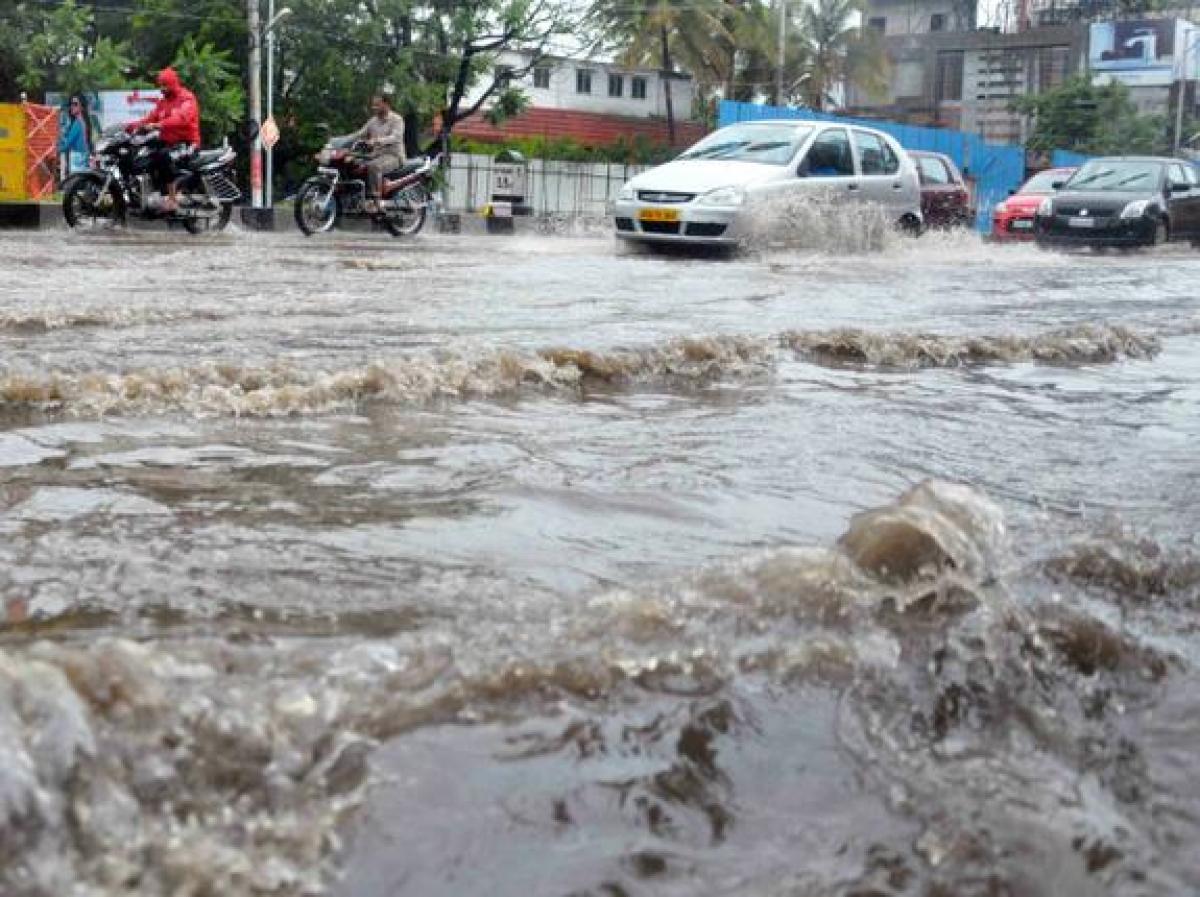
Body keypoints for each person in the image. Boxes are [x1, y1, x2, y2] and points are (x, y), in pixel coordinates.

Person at [126, 67, 201, 211]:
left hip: (188, 143)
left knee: (163, 156)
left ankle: (172, 199)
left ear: (173, 84)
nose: (162, 88)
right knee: (144, 154)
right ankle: (153, 192)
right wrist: (130, 126)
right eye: (160, 85)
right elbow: (149, 118)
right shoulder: (163, 102)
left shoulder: (187, 98)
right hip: (168, 142)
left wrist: (158, 125)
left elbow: (181, 119)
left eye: (165, 85)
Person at [337, 93, 405, 213]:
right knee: (352, 162)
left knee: (374, 166)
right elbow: (359, 134)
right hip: (375, 155)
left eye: (377, 105)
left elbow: (396, 137)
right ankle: (354, 198)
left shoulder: (397, 119)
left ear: (386, 104)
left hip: (393, 156)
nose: (374, 108)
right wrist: (339, 140)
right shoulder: (373, 121)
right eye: (373, 105)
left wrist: (377, 141)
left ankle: (376, 202)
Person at [58, 94, 93, 180]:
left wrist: (55, 150)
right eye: (71, 104)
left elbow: (67, 145)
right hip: (83, 157)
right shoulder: (84, 122)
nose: (72, 106)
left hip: (77, 158)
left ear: (82, 107)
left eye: (75, 104)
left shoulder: (77, 123)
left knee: (74, 187)